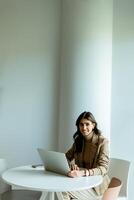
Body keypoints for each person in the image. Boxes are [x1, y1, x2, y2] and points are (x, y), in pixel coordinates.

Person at [62, 111, 110, 200]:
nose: (84, 128)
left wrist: (83, 173)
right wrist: (71, 164)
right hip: (81, 183)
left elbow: (104, 168)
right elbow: (66, 158)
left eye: (87, 124)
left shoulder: (102, 142)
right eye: (81, 124)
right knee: (60, 188)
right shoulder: (78, 141)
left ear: (93, 125)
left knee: (63, 190)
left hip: (97, 187)